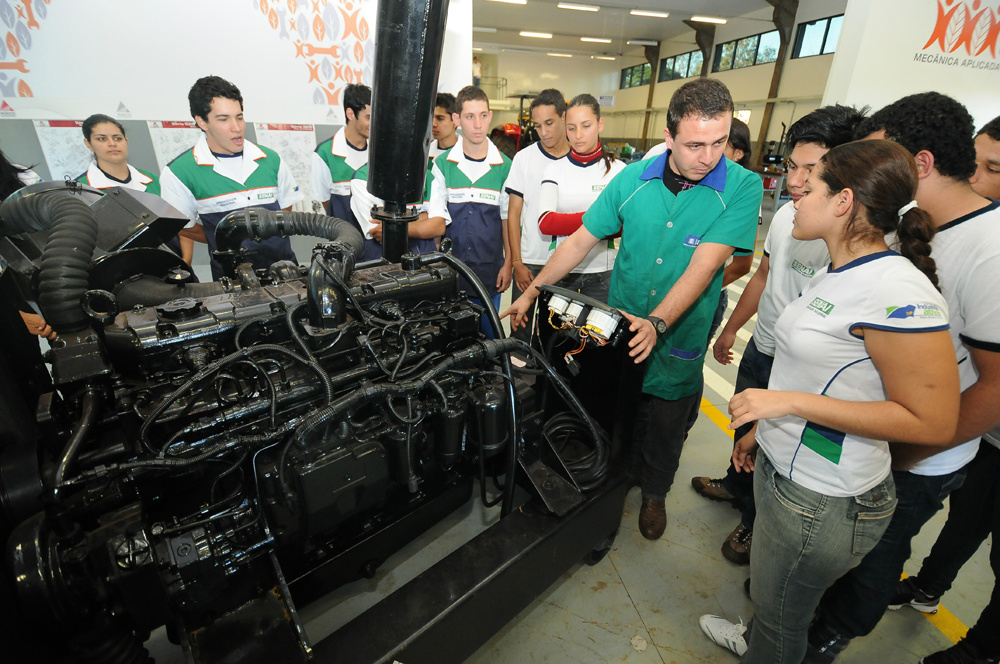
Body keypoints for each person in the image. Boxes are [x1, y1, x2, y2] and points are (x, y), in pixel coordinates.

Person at [699, 139, 961, 664]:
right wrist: (765, 432)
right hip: (791, 473)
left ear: (843, 202)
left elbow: (932, 421)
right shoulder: (836, 269)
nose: (793, 192)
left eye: (809, 183)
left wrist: (788, 405)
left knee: (782, 623)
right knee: (775, 605)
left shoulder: (898, 292)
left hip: (822, 501)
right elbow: (828, 380)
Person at [503, 78, 762, 540]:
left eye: (719, 142)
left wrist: (659, 321)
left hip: (679, 334)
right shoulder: (631, 180)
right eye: (695, 144)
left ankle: (655, 495)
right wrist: (532, 290)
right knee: (613, 415)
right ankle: (613, 483)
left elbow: (706, 265)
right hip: (620, 329)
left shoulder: (741, 187)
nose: (709, 156)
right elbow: (582, 239)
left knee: (665, 425)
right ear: (668, 138)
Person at [801, 99, 1000, 664]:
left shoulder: (991, 249)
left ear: (921, 162)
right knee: (839, 550)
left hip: (916, 458)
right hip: (872, 435)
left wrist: (907, 453)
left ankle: (830, 637)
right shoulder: (905, 224)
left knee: (875, 558)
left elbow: (995, 386)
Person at [692, 105, 867, 567]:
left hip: (803, 369)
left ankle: (753, 525)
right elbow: (763, 276)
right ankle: (735, 485)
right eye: (792, 165)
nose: (795, 179)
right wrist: (732, 329)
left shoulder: (852, 238)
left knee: (775, 449)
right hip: (764, 348)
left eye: (811, 169)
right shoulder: (792, 215)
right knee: (744, 428)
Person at [160, 75, 303, 279]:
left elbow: (286, 209)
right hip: (231, 280)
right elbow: (185, 229)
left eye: (239, 117)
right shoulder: (179, 172)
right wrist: (222, 238)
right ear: (202, 121)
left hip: (286, 271)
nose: (237, 127)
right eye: (223, 119)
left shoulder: (271, 160)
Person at [425, 85, 512, 335]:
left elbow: (507, 220)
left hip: (490, 271)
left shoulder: (505, 166)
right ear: (457, 119)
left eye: (483, 115)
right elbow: (437, 221)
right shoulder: (442, 165)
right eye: (469, 116)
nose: (477, 124)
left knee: (490, 338)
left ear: (490, 116)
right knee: (456, 340)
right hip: (452, 271)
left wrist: (508, 265)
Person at [535, 93, 624, 303]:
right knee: (556, 336)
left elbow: (622, 226)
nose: (578, 135)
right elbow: (546, 223)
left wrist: (566, 222)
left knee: (598, 336)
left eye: (586, 126)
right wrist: (602, 220)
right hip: (561, 272)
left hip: (604, 273)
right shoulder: (554, 169)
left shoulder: (619, 171)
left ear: (600, 124)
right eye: (572, 128)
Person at [505, 89, 570, 342]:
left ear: (564, 118)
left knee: (556, 338)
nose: (543, 132)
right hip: (530, 263)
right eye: (538, 125)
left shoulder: (578, 159)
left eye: (550, 123)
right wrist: (517, 263)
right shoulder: (524, 159)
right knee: (520, 334)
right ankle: (518, 379)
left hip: (567, 263)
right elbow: (513, 214)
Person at [311, 83, 371, 225]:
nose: (374, 123)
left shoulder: (380, 151)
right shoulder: (325, 153)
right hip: (343, 240)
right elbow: (323, 201)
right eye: (368, 117)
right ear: (350, 114)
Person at [349, 163, 437, 258]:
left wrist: (395, 224)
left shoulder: (428, 175)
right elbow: (380, 231)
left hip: (425, 260)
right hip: (381, 259)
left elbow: (438, 226)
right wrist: (426, 218)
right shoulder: (363, 176)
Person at [77, 114, 159, 195]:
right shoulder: (80, 189)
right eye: (101, 139)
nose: (112, 143)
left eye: (117, 138)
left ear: (126, 141)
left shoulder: (155, 181)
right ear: (88, 144)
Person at [429, 92, 458, 162]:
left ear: (456, 121)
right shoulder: (424, 151)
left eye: (440, 118)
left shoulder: (469, 154)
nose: (433, 124)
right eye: (431, 118)